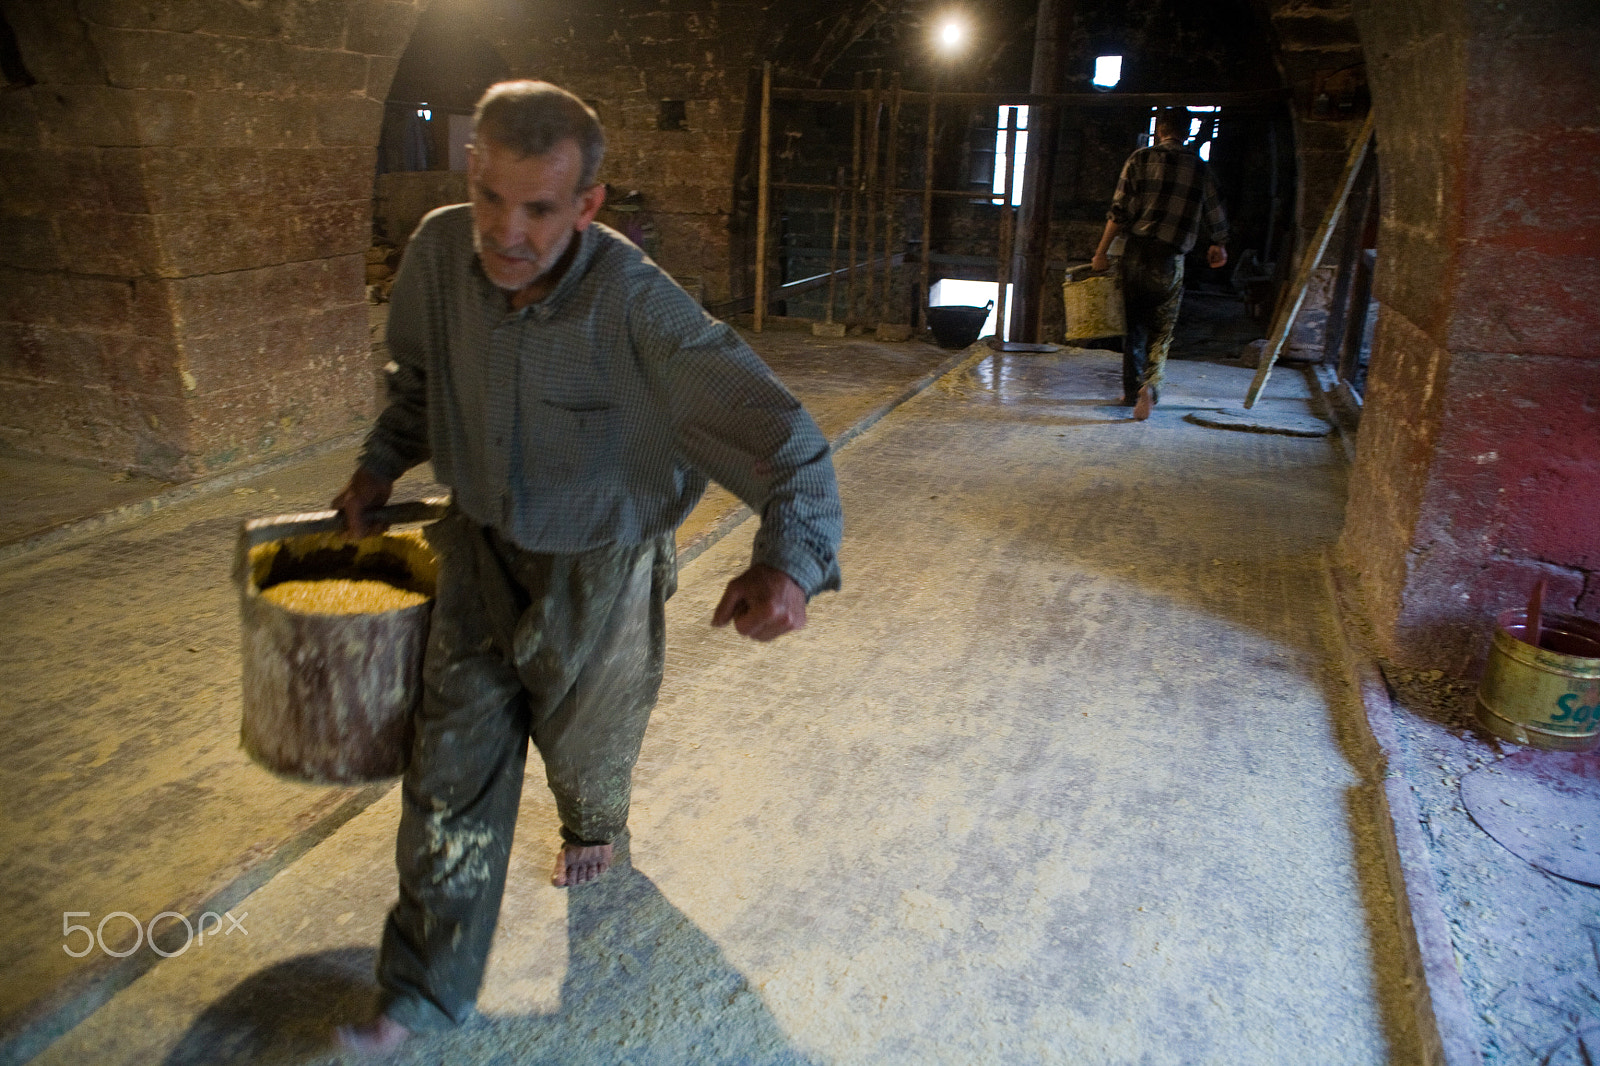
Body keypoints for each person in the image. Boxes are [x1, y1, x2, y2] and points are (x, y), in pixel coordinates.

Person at [332, 80, 843, 1054]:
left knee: (586, 734)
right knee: (449, 770)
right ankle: (421, 991)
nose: (506, 232)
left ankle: (592, 823)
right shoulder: (441, 254)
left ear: (587, 206)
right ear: (470, 171)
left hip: (601, 559)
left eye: (538, 210)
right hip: (476, 541)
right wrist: (378, 464)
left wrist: (791, 559)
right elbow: (420, 381)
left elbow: (777, 432)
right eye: (490, 198)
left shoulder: (635, 303)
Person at [1090, 108, 1229, 421]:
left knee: (1135, 326)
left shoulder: (1139, 159)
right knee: (1161, 331)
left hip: (1134, 254)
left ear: (1160, 128)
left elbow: (1118, 212)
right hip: (1169, 259)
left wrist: (1101, 252)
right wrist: (1218, 244)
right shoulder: (1199, 166)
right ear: (1187, 130)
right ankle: (1150, 387)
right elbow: (1216, 213)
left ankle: (1130, 391)